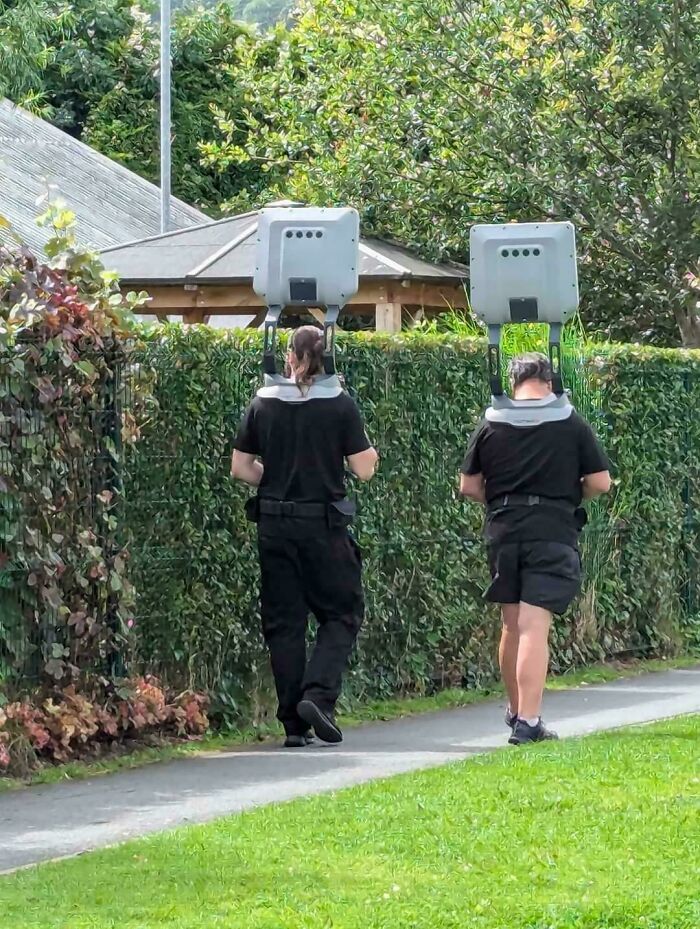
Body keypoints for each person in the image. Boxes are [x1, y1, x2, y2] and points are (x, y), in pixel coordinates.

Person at [231, 325, 378, 747]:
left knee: (284, 624)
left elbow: (241, 468)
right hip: (323, 527)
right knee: (342, 612)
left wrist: (275, 480)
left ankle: (293, 726)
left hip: (274, 527)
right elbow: (364, 468)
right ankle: (318, 696)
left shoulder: (263, 402)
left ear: (289, 357)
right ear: (325, 356)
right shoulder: (340, 404)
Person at [460, 352, 611, 745]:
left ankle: (515, 712)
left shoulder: (491, 423)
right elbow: (600, 482)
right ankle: (529, 722)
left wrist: (503, 500)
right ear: (550, 381)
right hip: (552, 529)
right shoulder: (570, 422)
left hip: (504, 531)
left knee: (511, 625)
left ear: (513, 383)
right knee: (533, 627)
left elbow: (469, 486)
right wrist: (566, 495)